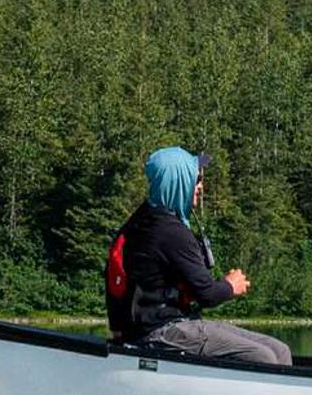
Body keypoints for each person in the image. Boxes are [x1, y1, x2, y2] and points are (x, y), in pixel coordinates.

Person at [104, 146, 291, 365]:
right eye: (197, 178)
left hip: (168, 325)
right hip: (160, 332)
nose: (201, 186)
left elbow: (112, 273)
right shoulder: (171, 232)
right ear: (178, 181)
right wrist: (231, 286)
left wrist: (118, 329)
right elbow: (207, 295)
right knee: (264, 357)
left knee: (280, 350)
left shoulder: (139, 220)